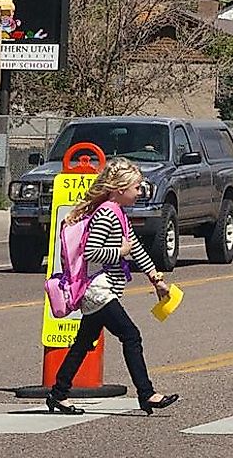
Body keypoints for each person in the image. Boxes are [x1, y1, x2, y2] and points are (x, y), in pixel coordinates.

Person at [44, 157, 180, 415]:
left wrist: (157, 279)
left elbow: (136, 248)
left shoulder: (118, 213)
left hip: (104, 289)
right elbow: (92, 252)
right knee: (131, 335)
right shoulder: (107, 213)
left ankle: (58, 394)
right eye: (137, 188)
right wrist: (119, 251)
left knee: (84, 343)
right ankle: (146, 393)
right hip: (98, 291)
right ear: (120, 189)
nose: (140, 192)